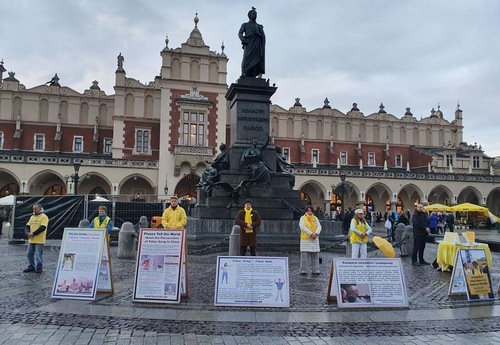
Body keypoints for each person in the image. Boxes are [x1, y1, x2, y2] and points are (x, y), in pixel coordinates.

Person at [238, 7, 265, 78]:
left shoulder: (259, 26)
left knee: (256, 59)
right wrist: (243, 39)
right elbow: (240, 33)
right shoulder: (245, 25)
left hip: (257, 45)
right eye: (253, 14)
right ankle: (244, 72)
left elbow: (262, 36)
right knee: (246, 59)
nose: (255, 15)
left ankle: (254, 74)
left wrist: (258, 33)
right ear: (249, 15)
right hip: (249, 44)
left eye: (256, 14)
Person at [23, 203, 49, 273]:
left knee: (38, 254)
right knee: (29, 254)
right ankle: (31, 266)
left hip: (39, 239)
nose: (34, 210)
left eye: (35, 209)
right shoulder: (32, 217)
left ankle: (39, 267)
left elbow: (43, 227)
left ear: (40, 209)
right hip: (31, 239)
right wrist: (27, 233)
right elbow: (27, 226)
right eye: (33, 209)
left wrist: (33, 233)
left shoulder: (44, 217)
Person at [298, 206, 322, 275]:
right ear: (306, 211)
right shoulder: (302, 218)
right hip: (306, 239)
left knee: (315, 255)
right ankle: (303, 270)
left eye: (311, 210)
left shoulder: (315, 218)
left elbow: (319, 226)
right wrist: (311, 234)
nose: (310, 212)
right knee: (304, 256)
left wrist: (316, 233)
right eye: (308, 211)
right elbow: (302, 227)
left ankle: (316, 270)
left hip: (315, 239)